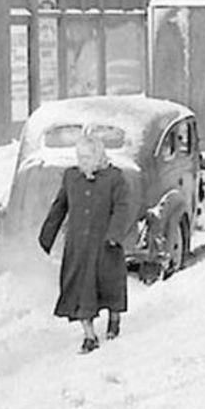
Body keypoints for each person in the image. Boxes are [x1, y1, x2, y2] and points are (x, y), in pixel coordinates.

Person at [38, 130, 132, 354]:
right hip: (78, 246)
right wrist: (47, 235)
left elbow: (122, 208)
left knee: (109, 287)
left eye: (87, 158)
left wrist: (114, 235)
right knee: (80, 290)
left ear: (99, 157)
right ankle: (89, 336)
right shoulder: (72, 177)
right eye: (79, 157)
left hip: (104, 245)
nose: (82, 162)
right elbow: (60, 205)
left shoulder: (114, 178)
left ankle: (114, 318)